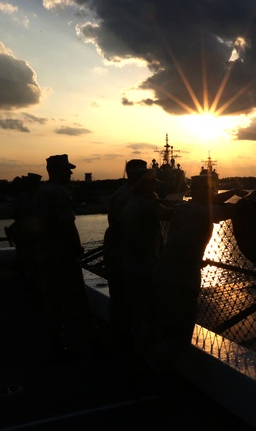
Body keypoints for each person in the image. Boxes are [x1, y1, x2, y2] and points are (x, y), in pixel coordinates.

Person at [144, 178, 256, 370]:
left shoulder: (184, 207)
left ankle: (152, 363)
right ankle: (164, 372)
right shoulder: (203, 212)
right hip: (183, 274)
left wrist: (233, 191)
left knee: (164, 323)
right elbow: (241, 208)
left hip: (163, 270)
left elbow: (211, 201)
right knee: (181, 326)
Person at [32, 154, 101, 363]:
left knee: (52, 303)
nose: (71, 173)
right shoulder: (59, 194)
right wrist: (77, 246)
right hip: (62, 257)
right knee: (77, 302)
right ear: (56, 171)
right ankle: (89, 348)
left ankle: (56, 345)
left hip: (45, 255)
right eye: (66, 170)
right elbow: (67, 224)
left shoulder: (42, 192)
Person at [116, 160, 173, 358]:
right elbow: (168, 214)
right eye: (151, 184)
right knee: (149, 316)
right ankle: (146, 361)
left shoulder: (129, 205)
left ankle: (135, 355)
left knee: (136, 313)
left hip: (132, 265)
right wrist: (194, 208)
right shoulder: (147, 205)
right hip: (146, 268)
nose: (154, 186)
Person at [102, 159, 148, 351]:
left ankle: (120, 341)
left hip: (120, 253)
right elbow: (124, 227)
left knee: (121, 300)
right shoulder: (129, 197)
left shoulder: (123, 194)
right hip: (125, 255)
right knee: (126, 300)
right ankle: (125, 344)